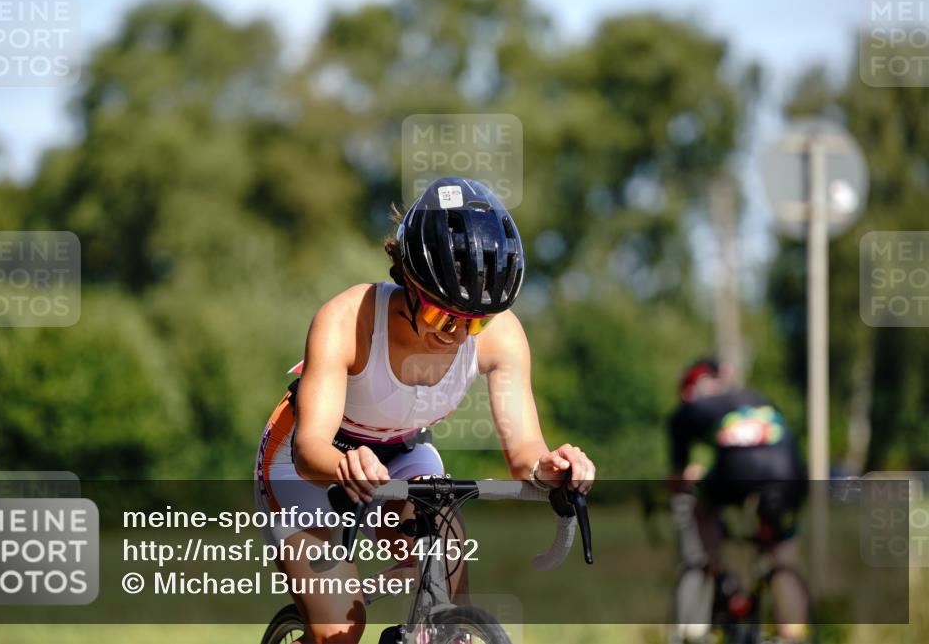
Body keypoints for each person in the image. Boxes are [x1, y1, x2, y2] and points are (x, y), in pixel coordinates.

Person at [255, 177, 596, 644]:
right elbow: (309, 449)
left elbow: (525, 455)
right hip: (308, 464)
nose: (456, 334)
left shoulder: (503, 336)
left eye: (476, 321)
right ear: (409, 283)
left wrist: (555, 468)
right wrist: (343, 464)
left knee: (451, 605)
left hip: (402, 451)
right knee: (341, 627)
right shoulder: (346, 321)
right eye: (442, 315)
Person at [667, 357, 810, 642]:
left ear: (687, 391)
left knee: (701, 510)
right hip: (789, 469)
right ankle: (791, 633)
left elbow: (677, 479)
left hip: (737, 469)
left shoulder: (687, 410)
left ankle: (723, 579)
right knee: (781, 550)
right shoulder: (753, 397)